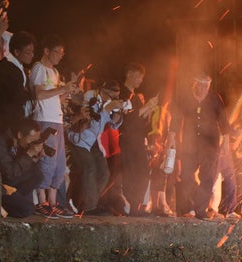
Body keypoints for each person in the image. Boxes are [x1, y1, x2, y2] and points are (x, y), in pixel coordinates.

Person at [167, 72, 229, 219]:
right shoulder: (186, 98)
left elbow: (223, 121)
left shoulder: (214, 98)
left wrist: (225, 142)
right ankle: (192, 205)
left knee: (208, 177)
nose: (203, 89)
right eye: (200, 85)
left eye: (206, 86)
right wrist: (171, 138)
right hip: (190, 143)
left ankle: (200, 210)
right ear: (195, 85)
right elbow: (176, 119)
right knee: (186, 176)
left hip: (210, 145)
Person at [30, 34, 77, 218]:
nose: (59, 56)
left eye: (62, 54)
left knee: (59, 163)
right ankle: (42, 202)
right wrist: (63, 89)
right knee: (46, 160)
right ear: (46, 51)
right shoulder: (39, 68)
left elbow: (55, 97)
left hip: (56, 120)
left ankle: (53, 202)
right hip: (44, 119)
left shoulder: (55, 73)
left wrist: (68, 91)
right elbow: (39, 95)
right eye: (57, 52)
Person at [66, 80, 125, 213]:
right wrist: (106, 110)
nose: (113, 98)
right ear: (105, 91)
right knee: (89, 169)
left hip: (93, 142)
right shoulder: (90, 96)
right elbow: (91, 121)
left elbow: (113, 124)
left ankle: (89, 203)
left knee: (104, 173)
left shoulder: (108, 103)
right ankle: (90, 207)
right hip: (78, 139)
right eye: (112, 95)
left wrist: (117, 113)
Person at [118, 62, 158, 216]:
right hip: (126, 140)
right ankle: (131, 205)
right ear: (129, 74)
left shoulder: (135, 96)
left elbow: (140, 120)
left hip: (138, 140)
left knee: (143, 171)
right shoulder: (122, 93)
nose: (141, 80)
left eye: (142, 77)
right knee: (130, 172)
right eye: (139, 76)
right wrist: (146, 107)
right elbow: (127, 118)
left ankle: (137, 205)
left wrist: (148, 112)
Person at [0, 117, 44, 217]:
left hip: (7, 184)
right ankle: (1, 204)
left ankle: (9, 202)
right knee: (27, 209)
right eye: (31, 140)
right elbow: (9, 173)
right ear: (20, 135)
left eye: (36, 141)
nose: (33, 144)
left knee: (37, 175)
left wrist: (34, 159)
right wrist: (28, 155)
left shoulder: (20, 143)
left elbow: (18, 170)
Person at [0, 31, 35, 131]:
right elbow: (13, 96)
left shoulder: (18, 67)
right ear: (16, 52)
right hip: (5, 124)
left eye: (33, 52)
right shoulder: (8, 67)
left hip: (10, 121)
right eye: (28, 52)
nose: (32, 55)